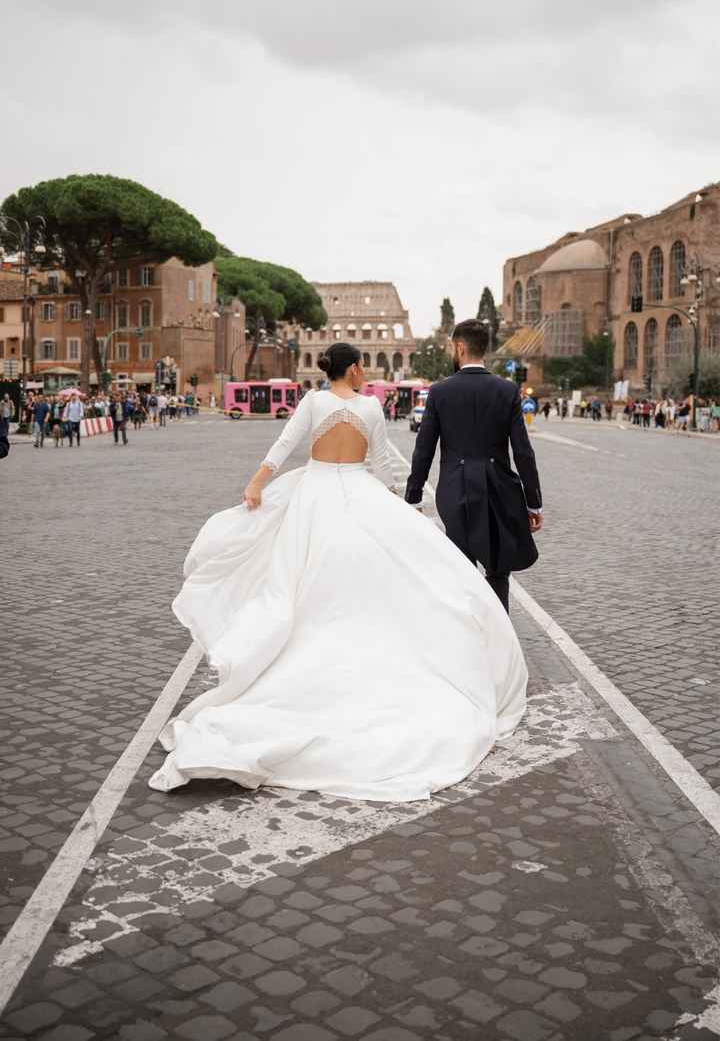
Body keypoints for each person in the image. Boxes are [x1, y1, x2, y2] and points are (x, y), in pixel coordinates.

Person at [149, 341, 527, 800]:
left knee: (301, 585)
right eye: (361, 365)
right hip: (360, 494)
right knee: (372, 582)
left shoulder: (312, 402)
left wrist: (255, 484)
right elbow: (384, 462)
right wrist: (401, 501)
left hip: (314, 494)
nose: (365, 371)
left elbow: (284, 447)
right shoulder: (370, 408)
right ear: (351, 369)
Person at [405, 320, 542, 614]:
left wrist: (413, 497)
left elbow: (423, 451)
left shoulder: (440, 392)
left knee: (461, 570)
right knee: (498, 571)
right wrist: (534, 504)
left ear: (460, 347)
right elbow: (523, 452)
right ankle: (499, 636)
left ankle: (468, 636)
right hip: (499, 489)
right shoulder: (507, 390)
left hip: (455, 490)